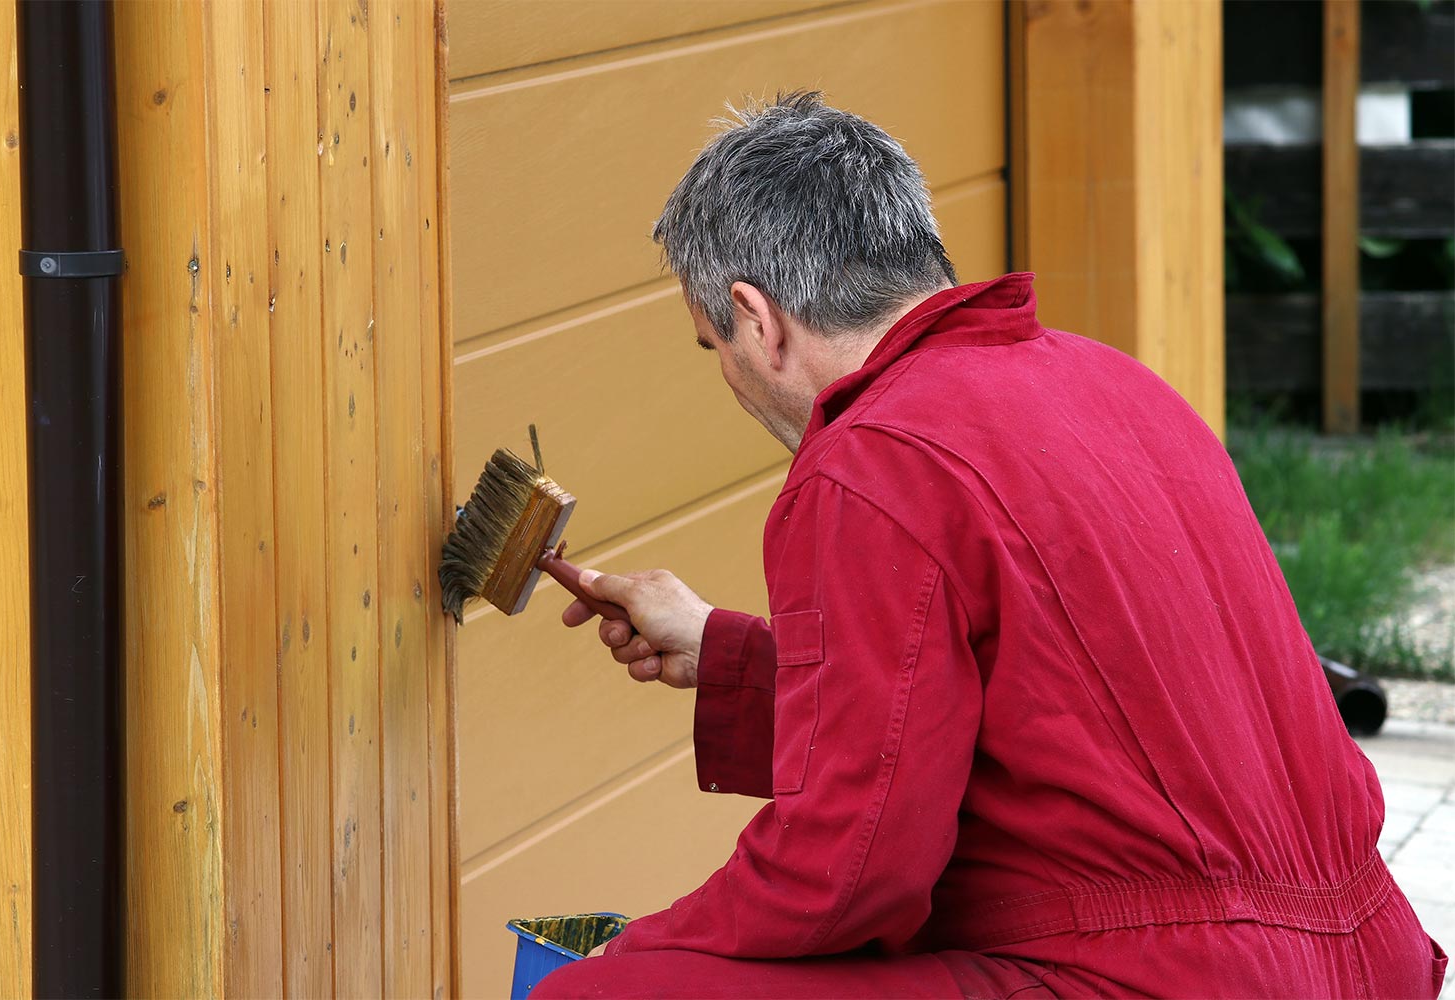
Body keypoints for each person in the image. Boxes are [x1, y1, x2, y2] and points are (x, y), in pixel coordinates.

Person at [531, 92, 1446, 999]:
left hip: (1164, 977)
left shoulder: (871, 460)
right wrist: (728, 656)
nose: (726, 375)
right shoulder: (1114, 385)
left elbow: (847, 871)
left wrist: (640, 951)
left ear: (757, 318)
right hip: (1363, 956)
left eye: (712, 346)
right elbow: (1032, 721)